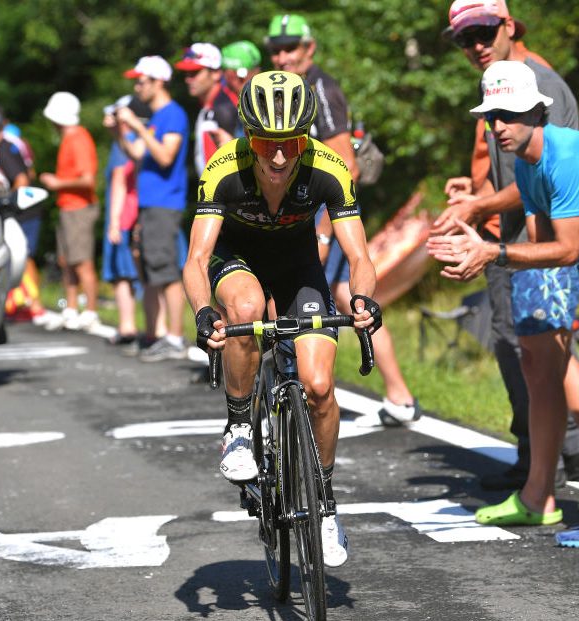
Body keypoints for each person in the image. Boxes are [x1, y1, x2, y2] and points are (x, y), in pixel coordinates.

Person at [426, 61, 579, 556]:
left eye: (511, 114)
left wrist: (492, 252)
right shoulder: (525, 164)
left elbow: (566, 250)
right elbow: (539, 246)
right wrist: (476, 251)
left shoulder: (565, 156)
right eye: (492, 116)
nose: (499, 125)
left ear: (538, 112)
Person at [184, 71, 382, 566]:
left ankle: (326, 504)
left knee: (319, 386)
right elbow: (197, 258)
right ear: (248, 136)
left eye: (290, 144)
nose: (277, 158)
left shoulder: (329, 167)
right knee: (246, 309)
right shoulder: (223, 168)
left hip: (298, 266)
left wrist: (362, 300)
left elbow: (360, 255)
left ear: (305, 138)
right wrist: (203, 311)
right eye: (265, 144)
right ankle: (238, 427)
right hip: (235, 260)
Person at [433, 0, 579, 494]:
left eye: (483, 32)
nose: (475, 45)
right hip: (514, 238)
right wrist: (475, 196)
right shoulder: (498, 82)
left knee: (552, 360)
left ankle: (563, 466)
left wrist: (482, 215)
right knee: (526, 352)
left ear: (508, 25)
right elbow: (518, 174)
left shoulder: (537, 83)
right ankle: (552, 467)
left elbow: (553, 175)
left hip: (539, 244)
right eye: (464, 39)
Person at [266, 12, 421, 424]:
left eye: (290, 48)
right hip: (306, 213)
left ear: (309, 48)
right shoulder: (290, 88)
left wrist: (322, 232)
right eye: (276, 50)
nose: (282, 57)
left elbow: (346, 167)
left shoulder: (320, 89)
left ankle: (303, 390)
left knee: (320, 295)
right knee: (341, 297)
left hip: (324, 214)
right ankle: (400, 397)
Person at [118, 55, 190, 361]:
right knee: (150, 271)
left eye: (142, 81)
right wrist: (119, 130)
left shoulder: (173, 114)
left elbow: (165, 156)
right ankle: (155, 334)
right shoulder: (159, 116)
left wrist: (137, 124)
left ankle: (174, 337)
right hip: (150, 204)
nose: (137, 87)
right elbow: (137, 152)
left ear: (158, 82)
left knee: (166, 271)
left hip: (164, 202)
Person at [39, 91, 101, 332]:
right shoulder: (69, 138)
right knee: (67, 261)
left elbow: (87, 180)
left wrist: (58, 183)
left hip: (79, 208)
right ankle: (71, 309)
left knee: (82, 262)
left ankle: (91, 312)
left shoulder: (78, 139)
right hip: (68, 207)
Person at [0, 106, 50, 325]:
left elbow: (22, 179)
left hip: (22, 211)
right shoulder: (7, 145)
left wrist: (6, 202)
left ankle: (35, 304)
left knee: (24, 255)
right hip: (21, 210)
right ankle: (20, 302)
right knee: (14, 257)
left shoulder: (3, 149)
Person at [101, 95, 146, 346]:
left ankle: (127, 325)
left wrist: (114, 221)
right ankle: (141, 326)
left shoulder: (124, 141)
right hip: (132, 213)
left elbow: (120, 179)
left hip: (123, 215)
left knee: (122, 273)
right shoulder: (130, 139)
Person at [174, 43, 241, 174]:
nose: (188, 79)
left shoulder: (225, 108)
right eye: (187, 73)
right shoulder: (209, 106)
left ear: (216, 73)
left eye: (195, 73)